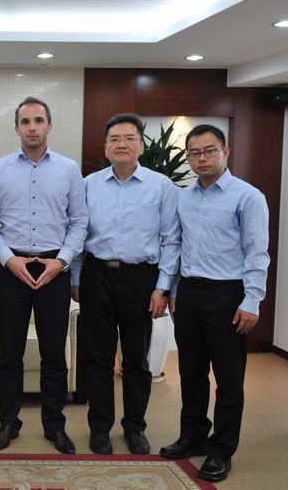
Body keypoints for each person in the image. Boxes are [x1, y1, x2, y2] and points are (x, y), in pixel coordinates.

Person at [160, 124, 269, 483]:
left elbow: (257, 252)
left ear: (226, 151)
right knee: (191, 373)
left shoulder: (248, 197)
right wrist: (173, 290)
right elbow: (176, 245)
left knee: (228, 378)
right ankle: (193, 436)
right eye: (194, 153)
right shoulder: (184, 197)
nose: (201, 158)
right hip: (189, 293)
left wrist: (252, 300)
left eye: (209, 151)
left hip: (228, 294)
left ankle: (221, 450)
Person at [70, 113, 181, 455]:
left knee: (136, 360)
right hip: (97, 275)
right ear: (105, 147)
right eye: (115, 139)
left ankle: (135, 427)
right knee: (98, 359)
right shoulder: (88, 184)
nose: (122, 144)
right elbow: (77, 233)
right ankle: (100, 428)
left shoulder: (161, 186)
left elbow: (172, 239)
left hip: (141, 278)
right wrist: (76, 277)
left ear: (141, 145)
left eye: (129, 138)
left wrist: (162, 287)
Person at [0, 96, 87, 454]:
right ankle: (8, 423)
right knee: (9, 354)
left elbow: (79, 222)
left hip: (54, 270)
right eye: (25, 121)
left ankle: (54, 426)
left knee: (54, 355)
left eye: (39, 120)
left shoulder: (69, 170)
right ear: (16, 128)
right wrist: (9, 260)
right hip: (12, 269)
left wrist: (63, 261)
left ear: (49, 126)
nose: (32, 127)